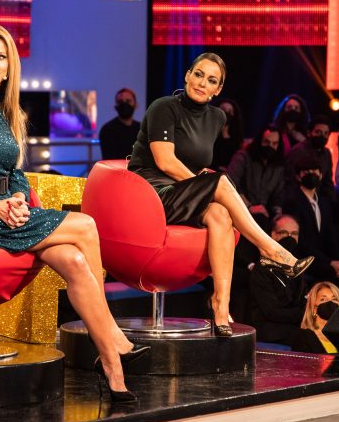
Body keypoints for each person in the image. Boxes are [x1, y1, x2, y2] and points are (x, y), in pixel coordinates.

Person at [0, 25, 146, 402]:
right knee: (86, 226)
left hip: (6, 212)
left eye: (0, 57)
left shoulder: (8, 110)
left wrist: (18, 198)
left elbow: (16, 173)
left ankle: (111, 365)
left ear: (11, 65)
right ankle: (113, 335)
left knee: (74, 260)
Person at [128, 52, 313, 337]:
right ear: (187, 75)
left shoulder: (217, 117)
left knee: (220, 214)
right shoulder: (163, 107)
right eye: (198, 74)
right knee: (220, 182)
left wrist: (203, 183)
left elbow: (194, 160)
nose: (203, 83)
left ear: (218, 89)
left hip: (182, 193)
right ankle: (270, 249)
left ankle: (220, 306)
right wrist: (205, 185)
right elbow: (165, 162)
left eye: (212, 80)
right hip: (150, 193)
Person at [282, 156, 339, 286]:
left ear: (321, 175)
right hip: (303, 258)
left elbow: (329, 236)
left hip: (322, 258)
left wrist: (338, 260)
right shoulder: (292, 202)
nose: (311, 175)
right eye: (306, 172)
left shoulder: (324, 203)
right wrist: (330, 262)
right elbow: (300, 242)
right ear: (298, 177)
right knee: (330, 272)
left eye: (314, 172)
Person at [248, 215, 307, 346]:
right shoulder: (263, 268)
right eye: (284, 233)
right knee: (306, 337)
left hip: (293, 325)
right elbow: (271, 312)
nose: (290, 238)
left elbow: (302, 300)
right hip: (269, 329)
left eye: (294, 234)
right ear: (273, 235)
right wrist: (303, 315)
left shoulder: (298, 266)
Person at [226, 124, 285, 223]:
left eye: (274, 143)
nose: (270, 146)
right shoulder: (243, 157)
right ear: (259, 141)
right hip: (239, 211)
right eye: (266, 142)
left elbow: (278, 195)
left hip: (264, 216)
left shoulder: (278, 166)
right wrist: (249, 206)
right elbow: (230, 182)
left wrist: (277, 214)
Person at [285, 114, 335, 199]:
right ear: (309, 133)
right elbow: (289, 181)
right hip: (298, 199)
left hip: (317, 199)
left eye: (326, 133)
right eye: (318, 132)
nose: (322, 136)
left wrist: (332, 202)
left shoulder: (326, 153)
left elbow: (328, 183)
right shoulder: (297, 152)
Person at [291, 281, 339, 354]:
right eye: (323, 299)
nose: (330, 302)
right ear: (313, 308)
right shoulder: (303, 336)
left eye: (334, 299)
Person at [99, 88, 141, 160]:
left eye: (128, 101)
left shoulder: (142, 129)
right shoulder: (107, 130)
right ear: (116, 106)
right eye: (120, 101)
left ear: (135, 105)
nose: (124, 104)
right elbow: (110, 160)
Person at [210, 98, 244, 171]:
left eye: (230, 111)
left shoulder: (236, 140)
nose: (226, 113)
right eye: (223, 109)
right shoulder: (208, 134)